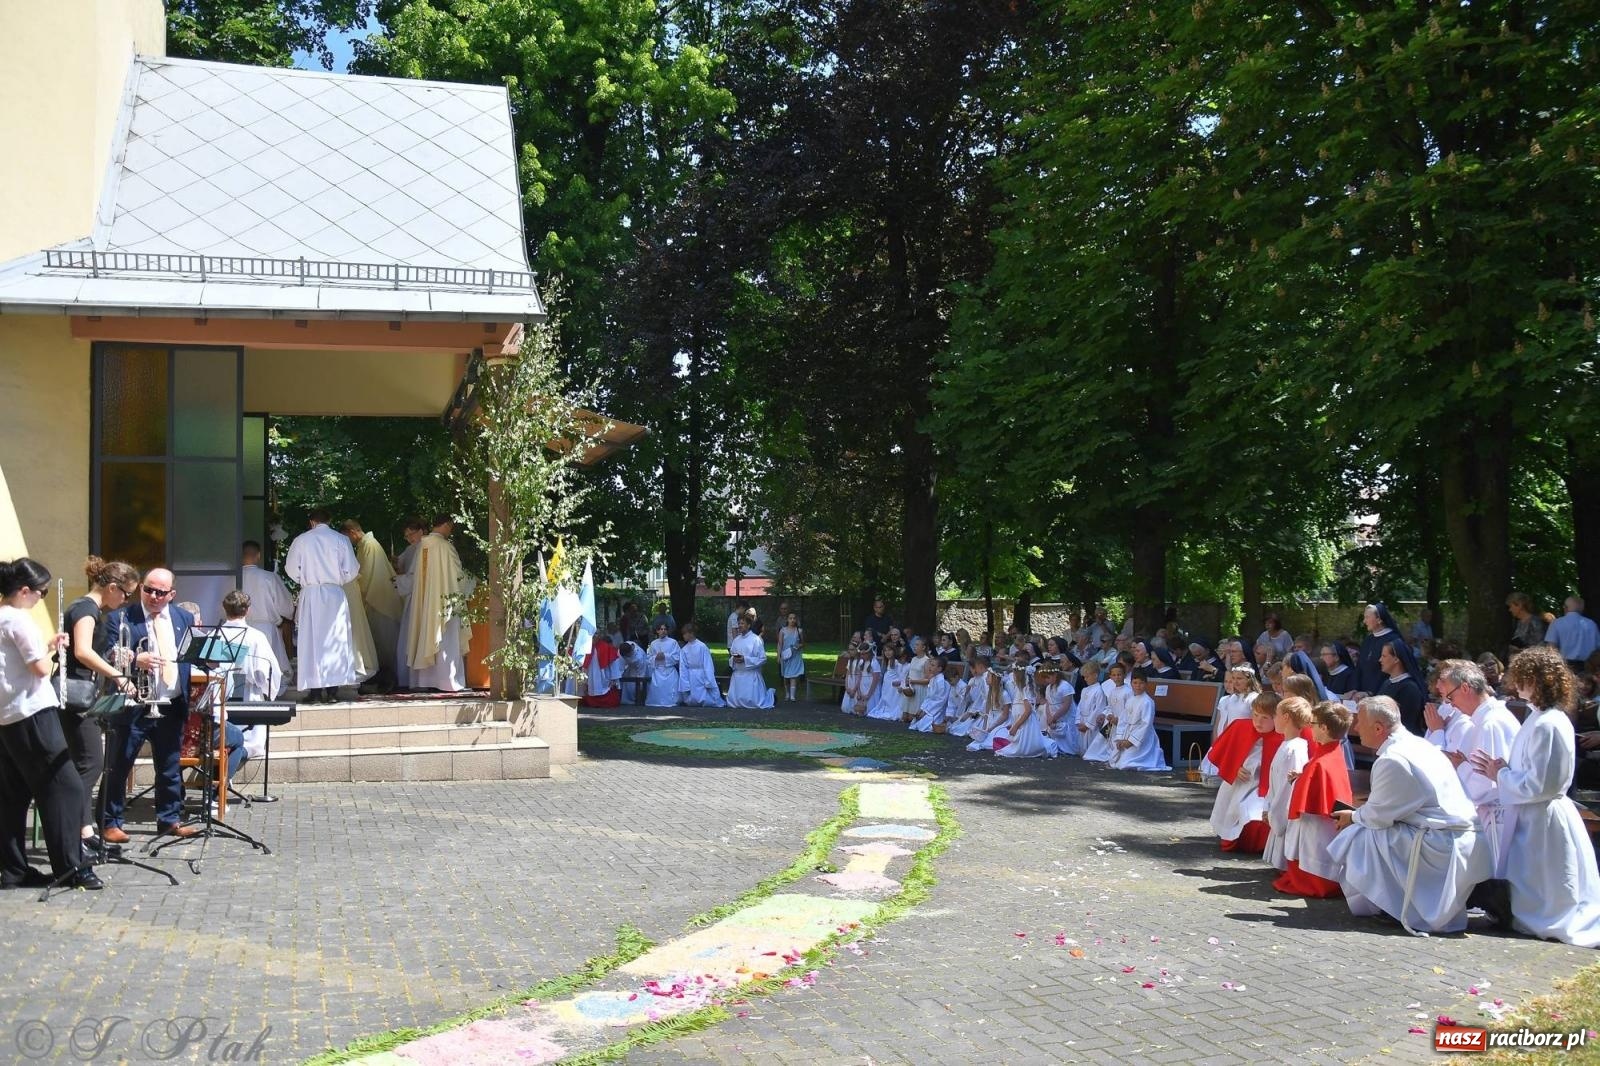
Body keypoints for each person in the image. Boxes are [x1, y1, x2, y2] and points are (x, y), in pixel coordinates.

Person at [1468, 646, 1600, 946]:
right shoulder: (1539, 717)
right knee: (1533, 877)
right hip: (1532, 813)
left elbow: (1542, 784)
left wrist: (1500, 774)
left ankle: (1545, 918)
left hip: (1543, 815)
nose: (1517, 684)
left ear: (1539, 681)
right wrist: (1503, 769)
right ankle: (1529, 916)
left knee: (1547, 879)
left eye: (1523, 678)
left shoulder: (1548, 724)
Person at [1327, 695, 1491, 935]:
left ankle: (1393, 906)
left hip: (1442, 842)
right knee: (1366, 831)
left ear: (1378, 728)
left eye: (1360, 722)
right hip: (1454, 836)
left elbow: (1378, 816)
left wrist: (1351, 817)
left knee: (1360, 837)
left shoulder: (1393, 759)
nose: (1356, 727)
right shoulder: (1418, 744)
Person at [0, 559, 99, 890]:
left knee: (13, 795)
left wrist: (47, 645)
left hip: (8, 716)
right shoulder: (19, 619)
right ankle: (71, 867)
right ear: (24, 590)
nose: (41, 597)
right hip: (32, 713)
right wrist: (51, 653)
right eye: (41, 592)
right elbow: (40, 669)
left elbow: (15, 661)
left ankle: (14, 869)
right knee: (65, 787)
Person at [102, 567, 199, 844]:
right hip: (134, 704)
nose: (153, 596)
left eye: (160, 592)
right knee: (119, 765)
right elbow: (106, 653)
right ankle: (110, 822)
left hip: (171, 703)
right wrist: (135, 658)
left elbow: (188, 654)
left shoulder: (183, 617)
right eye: (148, 590)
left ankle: (169, 820)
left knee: (169, 767)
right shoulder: (120, 617)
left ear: (172, 594)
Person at [61, 556, 139, 854]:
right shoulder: (86, 608)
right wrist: (118, 676)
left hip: (84, 692)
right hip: (77, 696)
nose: (125, 600)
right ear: (112, 587)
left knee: (87, 763)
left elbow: (87, 651)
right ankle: (73, 835)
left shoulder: (89, 609)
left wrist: (112, 657)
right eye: (126, 594)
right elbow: (81, 651)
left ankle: (84, 831)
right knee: (91, 763)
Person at [1275, 701, 1355, 898]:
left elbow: (1316, 784)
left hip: (1317, 820)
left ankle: (1314, 883)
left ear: (1324, 728)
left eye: (1313, 723)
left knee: (1312, 847)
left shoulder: (1324, 759)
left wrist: (1301, 782)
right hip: (1324, 818)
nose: (1310, 728)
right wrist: (1301, 778)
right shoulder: (1331, 751)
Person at [284, 509, 361, 704]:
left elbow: (291, 569)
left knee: (311, 641)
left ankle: (315, 691)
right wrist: (337, 579)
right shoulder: (341, 540)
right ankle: (333, 691)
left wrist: (306, 580)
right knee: (335, 638)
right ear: (329, 520)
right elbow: (352, 569)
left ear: (312, 522)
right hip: (334, 594)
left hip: (312, 594)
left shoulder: (302, 540)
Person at [403, 515, 470, 694]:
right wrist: (471, 583)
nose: (451, 531)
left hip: (424, 604)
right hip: (444, 603)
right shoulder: (445, 547)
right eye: (451, 527)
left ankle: (424, 680)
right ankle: (448, 682)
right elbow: (457, 576)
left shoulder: (422, 546)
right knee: (446, 639)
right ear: (446, 525)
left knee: (425, 634)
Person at [1207, 694, 1280, 853]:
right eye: (1255, 715)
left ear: (1277, 718)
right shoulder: (1240, 727)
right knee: (1234, 812)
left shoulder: (1281, 738)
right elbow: (1224, 752)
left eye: (1265, 718)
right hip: (1238, 783)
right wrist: (1234, 767)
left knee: (1255, 816)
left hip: (1263, 787)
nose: (1258, 722)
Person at [341, 519, 404, 688]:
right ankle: (385, 679)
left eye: (346, 537)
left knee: (384, 644)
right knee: (380, 643)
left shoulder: (368, 545)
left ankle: (390, 679)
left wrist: (351, 586)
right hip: (376, 599)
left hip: (379, 601)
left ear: (352, 532)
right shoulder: (366, 545)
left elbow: (365, 575)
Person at [1263, 696, 1313, 871]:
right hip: (1276, 806)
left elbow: (1288, 787)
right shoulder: (1287, 745)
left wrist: (1274, 813)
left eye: (1276, 715)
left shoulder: (1295, 749)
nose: (1274, 719)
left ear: (1286, 717)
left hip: (1283, 812)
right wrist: (1268, 805)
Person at [1200, 666, 1262, 782]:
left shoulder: (1254, 698)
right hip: (1232, 737)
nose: (1235, 682)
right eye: (1233, 678)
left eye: (1239, 678)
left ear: (1249, 679)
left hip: (1245, 739)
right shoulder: (1232, 698)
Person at [240, 541, 293, 674]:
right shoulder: (269, 577)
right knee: (269, 671)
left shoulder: (234, 577)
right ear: (258, 555)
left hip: (240, 629)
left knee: (243, 670)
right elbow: (286, 606)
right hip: (266, 630)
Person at [391, 519, 428, 689]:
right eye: (406, 536)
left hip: (423, 598)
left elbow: (415, 578)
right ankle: (408, 678)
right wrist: (395, 564)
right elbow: (401, 564)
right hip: (413, 599)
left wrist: (398, 581)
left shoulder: (427, 548)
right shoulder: (411, 549)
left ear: (421, 531)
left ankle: (422, 679)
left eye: (411, 534)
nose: (409, 538)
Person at [1107, 669, 1167, 771]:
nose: (1138, 686)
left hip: (1142, 738)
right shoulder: (1130, 699)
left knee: (1125, 764)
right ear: (1131, 683)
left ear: (1146, 684)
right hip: (1128, 733)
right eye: (1135, 683)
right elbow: (1123, 720)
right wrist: (1121, 738)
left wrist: (1131, 741)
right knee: (1114, 760)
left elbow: (1146, 725)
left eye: (1141, 683)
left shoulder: (1147, 702)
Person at [996, 665, 1059, 758]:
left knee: (1014, 750)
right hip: (1020, 722)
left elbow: (1028, 710)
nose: (1013, 676)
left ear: (1019, 676)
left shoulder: (1025, 690)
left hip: (1026, 724)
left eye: (1014, 674)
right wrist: (1014, 724)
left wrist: (1016, 726)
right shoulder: (1020, 689)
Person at [1353, 603, 1405, 697]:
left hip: (1382, 695)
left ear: (1379, 619)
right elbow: (1360, 667)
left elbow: (1391, 672)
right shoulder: (1368, 640)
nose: (1364, 621)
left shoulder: (1393, 641)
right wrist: (1355, 690)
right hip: (1362, 695)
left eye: (1367, 617)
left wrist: (1370, 693)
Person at [1376, 641, 1427, 735]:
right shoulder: (1387, 683)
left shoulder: (1410, 688)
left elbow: (1406, 723)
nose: (1380, 660)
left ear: (1396, 659)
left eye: (1384, 656)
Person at [726, 614, 774, 709]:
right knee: (734, 703)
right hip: (738, 675)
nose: (739, 626)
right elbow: (732, 656)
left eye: (742, 623)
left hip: (751, 675)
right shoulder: (736, 640)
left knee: (753, 703)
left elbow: (762, 659)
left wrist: (745, 659)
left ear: (748, 625)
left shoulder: (756, 640)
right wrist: (734, 659)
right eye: (739, 623)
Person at [1544, 597, 1600, 671]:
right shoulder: (1591, 624)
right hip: (1588, 667)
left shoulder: (1556, 623)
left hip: (1565, 667)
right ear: (1582, 609)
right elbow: (1598, 647)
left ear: (1565, 608)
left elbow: (1551, 648)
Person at [675, 624, 722, 707]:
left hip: (701, 675)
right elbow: (683, 667)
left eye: (685, 634)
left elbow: (708, 665)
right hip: (691, 676)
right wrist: (685, 683)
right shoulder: (684, 650)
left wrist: (708, 680)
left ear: (691, 633)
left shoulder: (702, 647)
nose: (683, 636)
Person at [909, 658, 955, 734]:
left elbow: (940, 701)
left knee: (923, 725)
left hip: (937, 711)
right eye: (930, 664)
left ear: (939, 669)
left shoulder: (941, 682)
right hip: (930, 708)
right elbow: (929, 697)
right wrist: (922, 709)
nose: (930, 667)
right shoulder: (933, 679)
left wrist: (926, 711)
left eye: (933, 665)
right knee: (916, 723)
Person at [644, 623, 681, 708]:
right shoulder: (653, 643)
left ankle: (670, 702)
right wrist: (656, 657)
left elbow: (677, 656)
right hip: (658, 670)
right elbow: (648, 658)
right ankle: (657, 701)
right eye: (661, 629)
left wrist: (665, 656)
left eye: (665, 629)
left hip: (669, 670)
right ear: (657, 631)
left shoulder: (673, 642)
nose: (663, 631)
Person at [580, 636, 623, 708]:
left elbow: (585, 665)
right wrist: (615, 678)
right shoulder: (608, 648)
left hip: (592, 678)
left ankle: (593, 702)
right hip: (605, 676)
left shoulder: (589, 649)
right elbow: (614, 665)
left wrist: (585, 680)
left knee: (593, 685)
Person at [777, 612, 805, 703]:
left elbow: (803, 643)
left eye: (794, 618)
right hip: (785, 656)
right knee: (786, 676)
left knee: (793, 675)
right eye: (790, 618)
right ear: (787, 620)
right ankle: (787, 693)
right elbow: (780, 644)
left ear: (796, 620)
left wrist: (798, 646)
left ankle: (792, 696)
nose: (792, 620)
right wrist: (778, 656)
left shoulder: (799, 631)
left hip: (795, 656)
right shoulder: (782, 631)